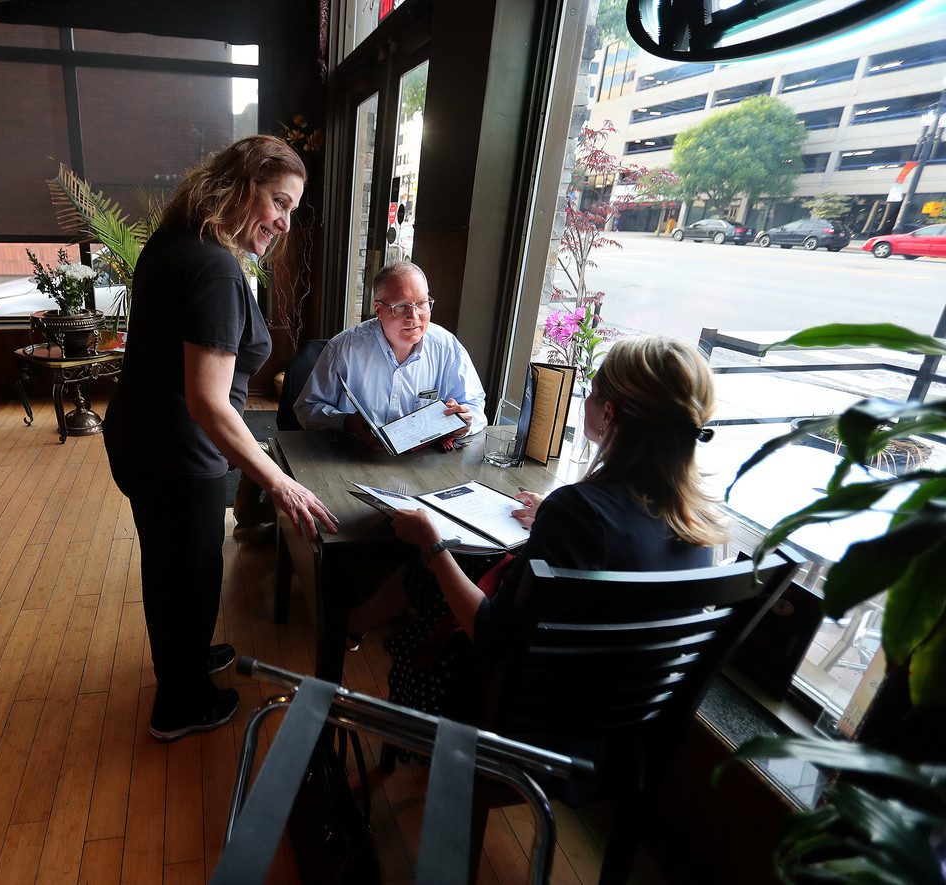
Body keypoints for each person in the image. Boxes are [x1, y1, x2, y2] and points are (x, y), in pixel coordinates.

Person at [103, 135, 338, 742]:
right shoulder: (214, 267)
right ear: (241, 188)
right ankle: (180, 705)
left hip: (140, 436)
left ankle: (181, 660)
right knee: (192, 576)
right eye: (279, 203)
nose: (285, 224)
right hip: (178, 452)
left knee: (169, 567)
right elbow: (208, 401)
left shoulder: (177, 240)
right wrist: (278, 481)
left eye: (292, 209)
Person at [378, 335, 731, 723]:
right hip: (623, 727)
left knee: (437, 591)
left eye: (592, 394)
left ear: (608, 414)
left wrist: (432, 543)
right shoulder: (699, 520)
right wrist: (553, 517)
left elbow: (493, 636)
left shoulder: (580, 510)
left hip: (532, 715)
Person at [293, 261, 487, 447]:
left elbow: (475, 407)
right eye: (401, 307)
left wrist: (464, 423)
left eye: (421, 303)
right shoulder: (344, 349)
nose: (414, 316)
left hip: (424, 461)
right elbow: (307, 409)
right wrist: (346, 422)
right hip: (353, 454)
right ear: (378, 309)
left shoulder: (448, 349)